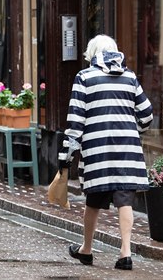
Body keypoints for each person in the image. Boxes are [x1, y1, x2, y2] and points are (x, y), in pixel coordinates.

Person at [60, 34, 153, 270]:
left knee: (93, 201)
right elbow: (147, 115)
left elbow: (75, 123)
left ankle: (87, 249)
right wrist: (134, 130)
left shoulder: (84, 78)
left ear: (92, 54)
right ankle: (125, 253)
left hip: (97, 152)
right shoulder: (130, 77)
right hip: (127, 149)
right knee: (125, 202)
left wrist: (65, 158)